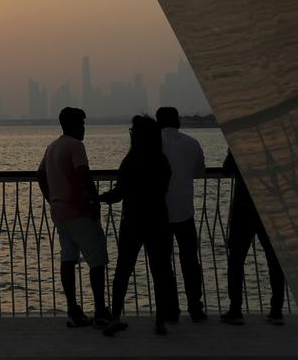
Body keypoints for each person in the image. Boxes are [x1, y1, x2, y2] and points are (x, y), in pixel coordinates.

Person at [100, 115, 176, 337]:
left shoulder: (130, 161)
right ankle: (160, 320)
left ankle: (115, 317)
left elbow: (119, 192)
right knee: (160, 271)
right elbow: (163, 189)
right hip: (159, 221)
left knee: (123, 270)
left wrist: (101, 197)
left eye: (133, 131)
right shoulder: (162, 161)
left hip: (133, 221)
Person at [37, 107, 112, 329]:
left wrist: (51, 198)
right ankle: (100, 310)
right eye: (82, 124)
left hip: (59, 212)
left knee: (68, 259)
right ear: (74, 125)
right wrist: (91, 203)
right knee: (97, 259)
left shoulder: (52, 147)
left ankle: (73, 309)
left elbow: (40, 175)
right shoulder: (76, 146)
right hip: (78, 212)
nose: (84, 129)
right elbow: (83, 176)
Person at [220, 149, 286, 326]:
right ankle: (277, 311)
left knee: (236, 260)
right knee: (274, 260)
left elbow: (226, 170)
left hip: (244, 208)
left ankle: (235, 310)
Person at [158, 106, 208, 322]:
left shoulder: (152, 144)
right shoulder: (192, 143)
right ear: (177, 121)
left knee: (163, 262)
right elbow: (200, 171)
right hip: (185, 210)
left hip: (160, 212)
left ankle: (171, 307)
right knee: (189, 260)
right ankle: (195, 304)